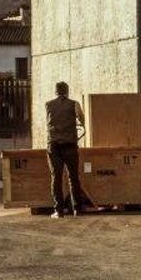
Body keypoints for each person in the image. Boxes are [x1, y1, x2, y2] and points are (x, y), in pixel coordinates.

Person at [43, 81, 92, 218]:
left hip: (54, 145)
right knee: (73, 177)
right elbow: (83, 121)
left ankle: (58, 210)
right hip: (70, 145)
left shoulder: (48, 105)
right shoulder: (74, 104)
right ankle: (77, 209)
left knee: (56, 178)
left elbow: (50, 122)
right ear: (67, 91)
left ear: (55, 92)